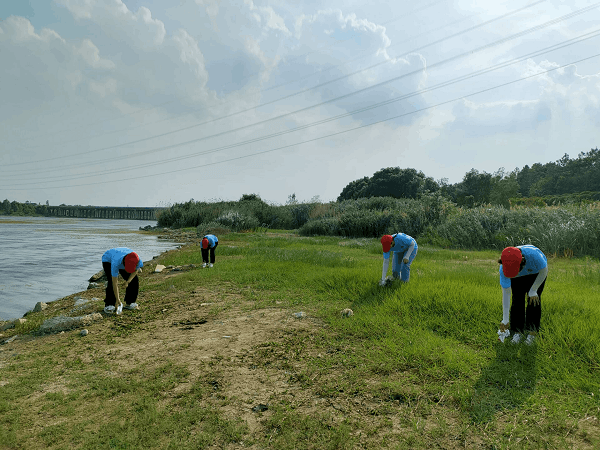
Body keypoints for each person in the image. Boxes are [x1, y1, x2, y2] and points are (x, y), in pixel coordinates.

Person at [497, 245, 548, 345]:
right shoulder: (504, 270)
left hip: (536, 274)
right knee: (517, 300)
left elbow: (544, 271)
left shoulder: (534, 256)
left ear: (522, 264)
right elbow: (506, 295)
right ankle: (517, 332)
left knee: (533, 300)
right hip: (518, 277)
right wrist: (505, 319)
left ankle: (532, 333)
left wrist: (533, 290)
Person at [101, 247, 143, 314]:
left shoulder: (138, 260)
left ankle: (130, 302)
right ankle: (110, 304)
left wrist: (128, 282)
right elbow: (115, 282)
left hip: (124, 260)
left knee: (134, 280)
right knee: (111, 282)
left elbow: (135, 271)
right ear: (124, 263)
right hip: (108, 260)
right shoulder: (115, 262)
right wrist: (118, 299)